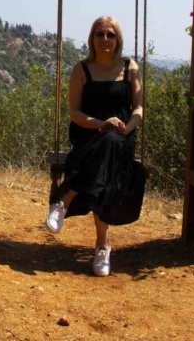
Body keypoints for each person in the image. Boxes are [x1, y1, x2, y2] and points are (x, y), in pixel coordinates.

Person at [45, 15, 145, 276]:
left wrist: (126, 127)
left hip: (121, 137)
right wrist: (101, 123)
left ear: (118, 38)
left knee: (112, 142)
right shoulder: (82, 69)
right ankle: (103, 246)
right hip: (88, 136)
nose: (105, 39)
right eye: (100, 34)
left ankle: (64, 201)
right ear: (92, 39)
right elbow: (75, 113)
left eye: (110, 34)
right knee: (106, 157)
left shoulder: (129, 67)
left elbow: (139, 109)